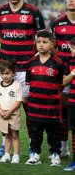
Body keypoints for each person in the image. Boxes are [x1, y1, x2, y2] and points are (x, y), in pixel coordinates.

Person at [0, 0, 46, 157]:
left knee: (28, 107)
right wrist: (10, 47)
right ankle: (3, 146)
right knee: (4, 107)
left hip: (25, 68)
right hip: (5, 68)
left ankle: (33, 146)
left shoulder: (34, 13)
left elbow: (41, 38)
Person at [25, 31, 63, 167]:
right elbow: (28, 84)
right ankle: (35, 154)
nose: (41, 45)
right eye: (39, 42)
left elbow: (60, 83)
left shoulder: (57, 62)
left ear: (51, 44)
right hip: (35, 106)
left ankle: (55, 155)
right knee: (35, 133)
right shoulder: (30, 62)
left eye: (45, 42)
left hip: (51, 107)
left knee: (53, 133)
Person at [50, 0, 75, 158]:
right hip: (64, 75)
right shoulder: (57, 24)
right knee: (63, 112)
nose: (71, 1)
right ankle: (64, 148)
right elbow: (53, 49)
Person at [0, 60, 22, 164]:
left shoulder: (17, 85)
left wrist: (10, 111)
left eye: (7, 73)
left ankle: (16, 155)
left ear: (13, 73)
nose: (4, 76)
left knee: (15, 135)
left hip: (13, 114)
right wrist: (0, 111)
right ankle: (6, 155)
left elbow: (19, 101)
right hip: (3, 114)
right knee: (6, 135)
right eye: (2, 73)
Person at [63, 37, 75, 171]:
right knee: (74, 131)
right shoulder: (70, 62)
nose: (70, 50)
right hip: (72, 101)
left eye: (72, 48)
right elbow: (64, 81)